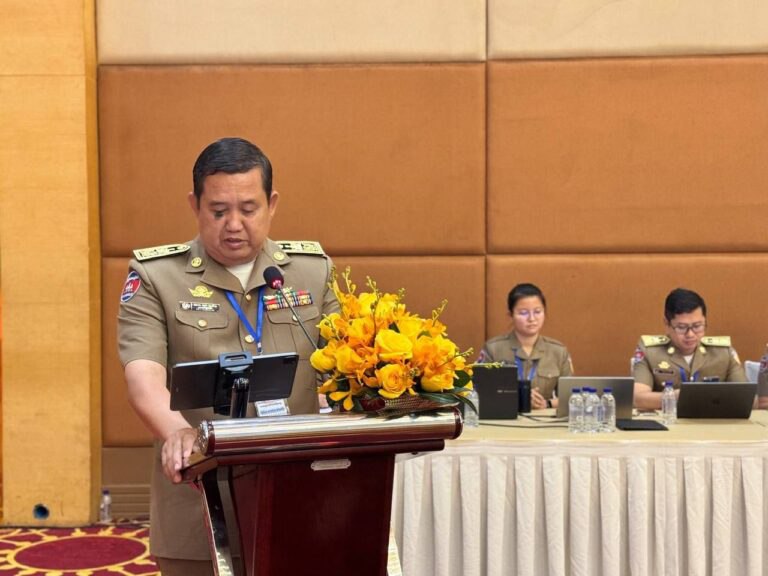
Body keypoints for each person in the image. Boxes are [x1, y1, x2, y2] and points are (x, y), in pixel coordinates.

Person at [118, 137, 339, 575]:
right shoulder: (155, 276)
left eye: (248, 209)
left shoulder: (312, 272)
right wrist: (179, 434)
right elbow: (143, 376)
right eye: (218, 211)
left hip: (298, 496)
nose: (234, 225)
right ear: (195, 205)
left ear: (272, 205)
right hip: (200, 495)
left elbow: (344, 367)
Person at [632, 287, 746, 411]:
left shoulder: (723, 352)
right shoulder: (650, 351)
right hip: (669, 419)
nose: (690, 334)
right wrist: (677, 397)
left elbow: (746, 397)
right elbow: (638, 398)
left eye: (697, 326)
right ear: (667, 324)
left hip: (713, 419)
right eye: (681, 327)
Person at [477, 283, 573, 409]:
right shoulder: (493, 349)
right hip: (505, 417)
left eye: (537, 312)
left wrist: (547, 403)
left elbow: (570, 397)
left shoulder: (558, 351)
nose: (532, 319)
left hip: (544, 418)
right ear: (511, 315)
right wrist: (514, 398)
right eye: (523, 313)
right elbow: (477, 392)